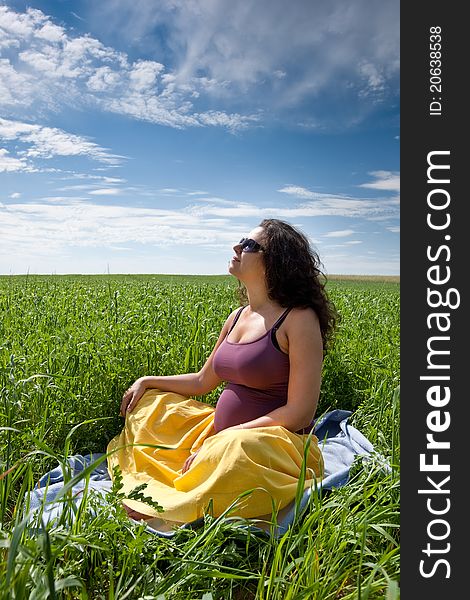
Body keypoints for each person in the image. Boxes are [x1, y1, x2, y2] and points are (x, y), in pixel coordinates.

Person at [107, 218, 337, 525]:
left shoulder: (298, 319)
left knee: (235, 453)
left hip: (268, 447)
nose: (237, 247)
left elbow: (300, 412)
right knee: (153, 405)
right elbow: (203, 381)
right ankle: (191, 479)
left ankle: (174, 504)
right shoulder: (237, 316)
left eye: (250, 245)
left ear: (276, 260)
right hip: (219, 434)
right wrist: (146, 382)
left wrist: (229, 435)